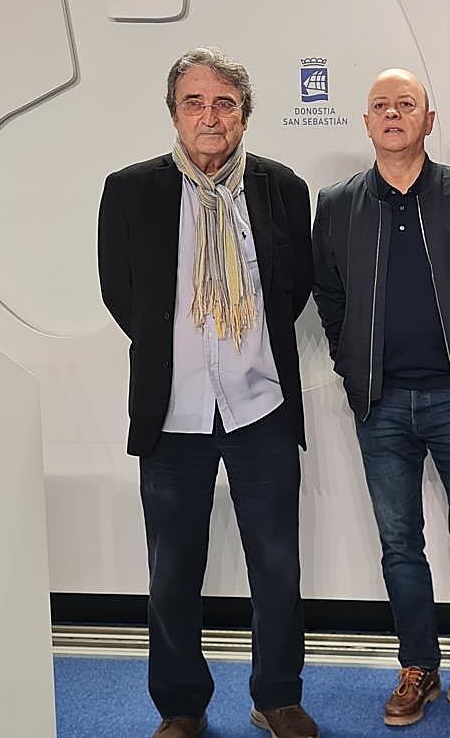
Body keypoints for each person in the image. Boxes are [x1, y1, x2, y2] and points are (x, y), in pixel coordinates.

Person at [97, 47, 318, 738]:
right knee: (171, 575)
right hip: (172, 416)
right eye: (194, 102)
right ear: (174, 113)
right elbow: (120, 293)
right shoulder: (131, 190)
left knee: (277, 568)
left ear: (244, 116)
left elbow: (295, 289)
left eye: (224, 102)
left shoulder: (283, 188)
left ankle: (277, 696)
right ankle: (182, 708)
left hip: (261, 409)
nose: (210, 116)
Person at [311, 68, 450, 736]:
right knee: (400, 545)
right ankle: (418, 669)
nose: (393, 114)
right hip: (380, 408)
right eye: (381, 105)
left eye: (407, 104)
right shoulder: (339, 203)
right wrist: (354, 372)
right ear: (367, 123)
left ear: (429, 120)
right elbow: (330, 296)